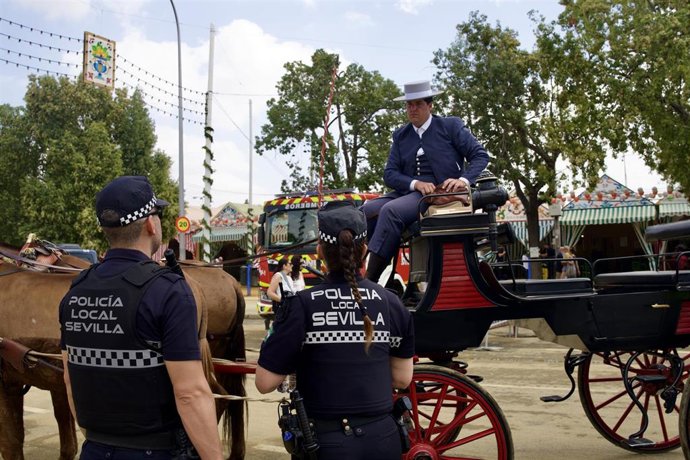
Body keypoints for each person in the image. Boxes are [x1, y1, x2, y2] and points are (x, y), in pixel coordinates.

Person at [58, 176, 222, 459]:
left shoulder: (75, 290)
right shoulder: (168, 290)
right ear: (150, 223)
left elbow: (70, 379)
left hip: (94, 448)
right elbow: (190, 393)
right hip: (156, 450)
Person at [256, 200, 415, 460]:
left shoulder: (301, 305)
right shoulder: (391, 303)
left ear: (319, 251)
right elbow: (401, 379)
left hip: (325, 444)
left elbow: (265, 383)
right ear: (364, 250)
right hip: (384, 440)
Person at [362, 80, 490, 282]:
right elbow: (390, 174)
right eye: (409, 105)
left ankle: (370, 281)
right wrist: (415, 184)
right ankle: (353, 274)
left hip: (438, 194)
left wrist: (463, 180)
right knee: (364, 212)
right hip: (409, 192)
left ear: (430, 105)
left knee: (391, 211)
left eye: (418, 104)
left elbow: (480, 155)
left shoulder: (450, 126)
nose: (413, 109)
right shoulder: (401, 136)